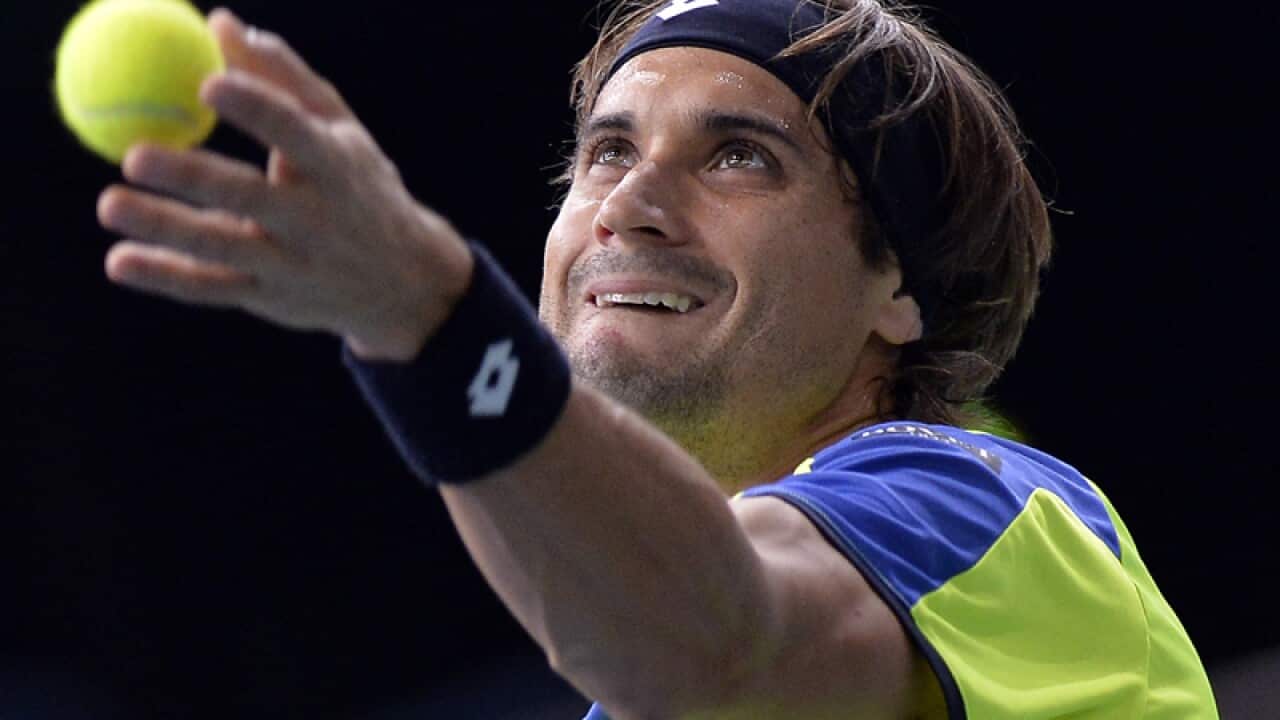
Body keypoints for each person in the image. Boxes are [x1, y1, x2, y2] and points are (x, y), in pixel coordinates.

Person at [94, 0, 1219, 717]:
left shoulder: (978, 507)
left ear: (899, 290)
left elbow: (715, 649)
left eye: (737, 156)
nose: (627, 203)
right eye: (605, 152)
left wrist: (426, 317)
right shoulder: (643, 661)